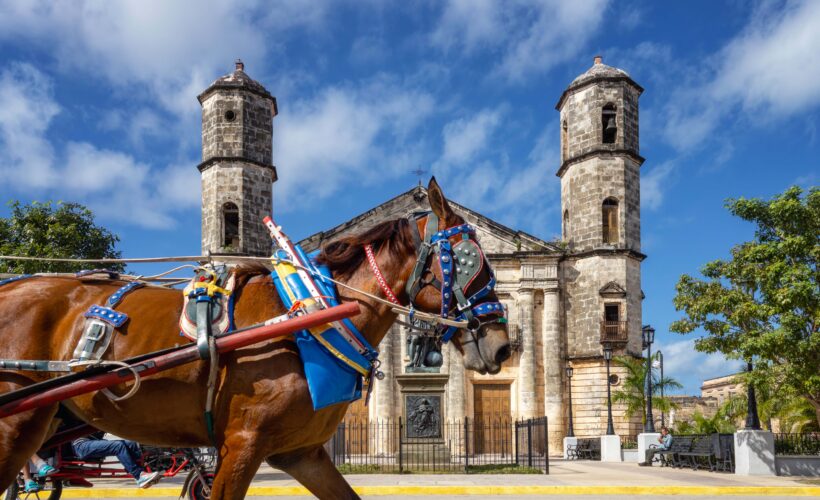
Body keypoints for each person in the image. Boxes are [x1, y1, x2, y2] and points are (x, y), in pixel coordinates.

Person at [71, 432, 161, 488]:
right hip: (81, 445)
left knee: (132, 443)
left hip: (90, 442)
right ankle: (139, 475)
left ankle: (141, 474)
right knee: (118, 446)